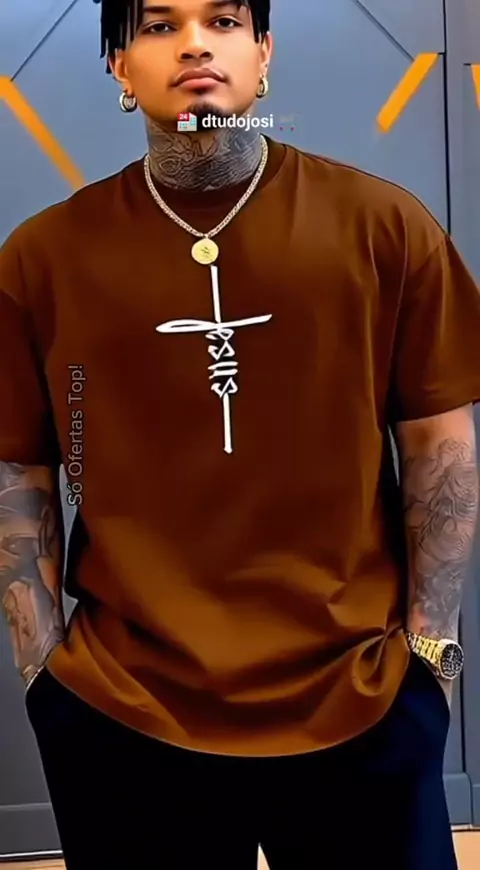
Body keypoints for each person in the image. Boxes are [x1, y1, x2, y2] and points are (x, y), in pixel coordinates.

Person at [0, 0, 479, 867]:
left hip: (361, 699)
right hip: (125, 710)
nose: (194, 45)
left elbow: (439, 451)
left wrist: (430, 660)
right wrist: (43, 672)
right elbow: (19, 470)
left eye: (223, 21)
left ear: (263, 55)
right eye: (157, 25)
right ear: (119, 66)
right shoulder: (43, 257)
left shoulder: (384, 226)